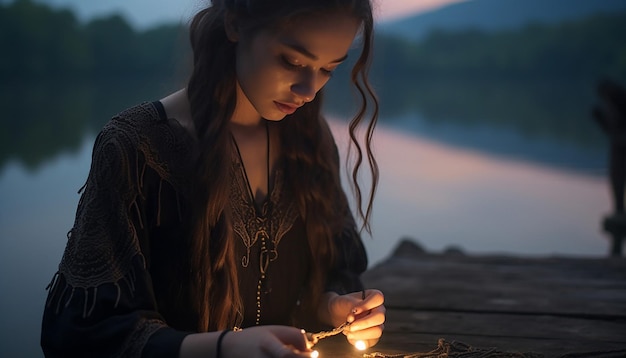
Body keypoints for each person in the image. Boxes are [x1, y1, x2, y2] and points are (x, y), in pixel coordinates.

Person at [41, 0, 385, 357]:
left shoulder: (309, 141)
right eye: (293, 62)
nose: (309, 90)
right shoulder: (137, 147)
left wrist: (333, 306)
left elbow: (335, 268)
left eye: (328, 69)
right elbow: (81, 333)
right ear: (235, 23)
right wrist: (220, 348)